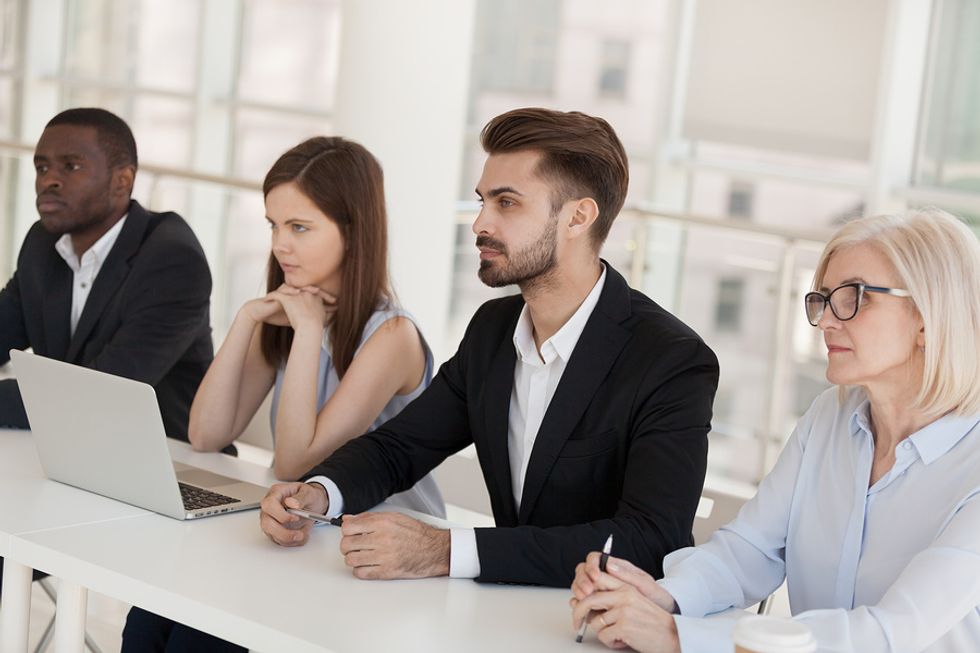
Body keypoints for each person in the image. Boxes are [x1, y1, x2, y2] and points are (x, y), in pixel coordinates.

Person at [259, 107, 719, 588]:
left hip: (604, 627)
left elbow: (651, 540)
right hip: (500, 613)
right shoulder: (493, 330)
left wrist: (444, 550)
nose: (480, 223)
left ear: (578, 217)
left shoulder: (671, 361)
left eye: (507, 203)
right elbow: (401, 447)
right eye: (482, 201)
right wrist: (317, 494)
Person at [570, 209, 980, 652]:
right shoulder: (831, 417)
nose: (825, 321)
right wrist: (665, 595)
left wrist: (677, 637)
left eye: (854, 297)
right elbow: (753, 548)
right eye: (822, 298)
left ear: (926, 318)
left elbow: (891, 633)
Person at [122, 136, 445, 652]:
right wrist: (248, 317)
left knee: (199, 639)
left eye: (300, 227)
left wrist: (310, 333)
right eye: (274, 225)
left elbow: (298, 462)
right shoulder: (291, 314)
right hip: (301, 536)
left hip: (376, 554)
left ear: (353, 232)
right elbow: (206, 433)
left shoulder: (391, 337)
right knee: (150, 615)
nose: (280, 245)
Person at [0, 107, 213, 587]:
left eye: (70, 166)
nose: (48, 181)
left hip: (158, 477)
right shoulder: (44, 244)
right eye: (41, 167)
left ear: (122, 181)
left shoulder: (171, 258)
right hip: (67, 465)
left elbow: (96, 393)